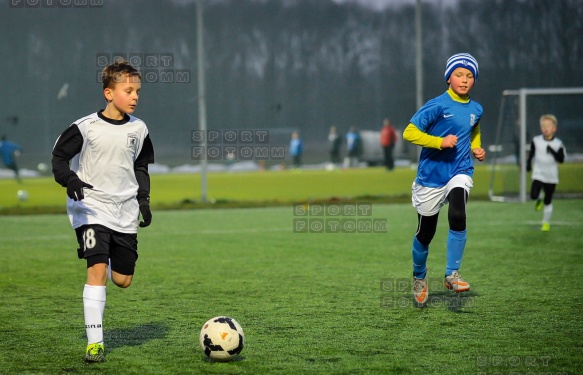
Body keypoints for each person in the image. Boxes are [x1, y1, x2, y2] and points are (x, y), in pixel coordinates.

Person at [51, 60, 155, 362]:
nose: (135, 96)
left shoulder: (139, 128)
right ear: (109, 93)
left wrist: (144, 200)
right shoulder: (86, 127)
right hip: (90, 209)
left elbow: (140, 166)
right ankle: (95, 343)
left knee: (122, 280)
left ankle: (108, 253)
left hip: (124, 211)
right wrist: (70, 179)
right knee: (96, 270)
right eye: (128, 90)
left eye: (137, 91)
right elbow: (59, 158)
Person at [402, 53, 486, 306]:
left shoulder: (477, 108)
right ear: (449, 78)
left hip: (460, 170)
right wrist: (439, 142)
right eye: (459, 74)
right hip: (431, 177)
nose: (464, 80)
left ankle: (452, 274)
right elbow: (409, 132)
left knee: (458, 213)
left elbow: (473, 129)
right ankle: (419, 276)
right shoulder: (437, 105)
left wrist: (477, 147)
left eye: (469, 76)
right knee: (425, 233)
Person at [526, 114, 565, 232]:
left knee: (548, 200)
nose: (545, 128)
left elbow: (561, 159)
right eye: (543, 126)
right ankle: (538, 198)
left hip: (551, 176)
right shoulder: (536, 141)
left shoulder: (558, 143)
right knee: (533, 195)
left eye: (548, 125)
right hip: (538, 174)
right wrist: (528, 164)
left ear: (554, 128)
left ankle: (546, 223)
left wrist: (552, 151)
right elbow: (531, 153)